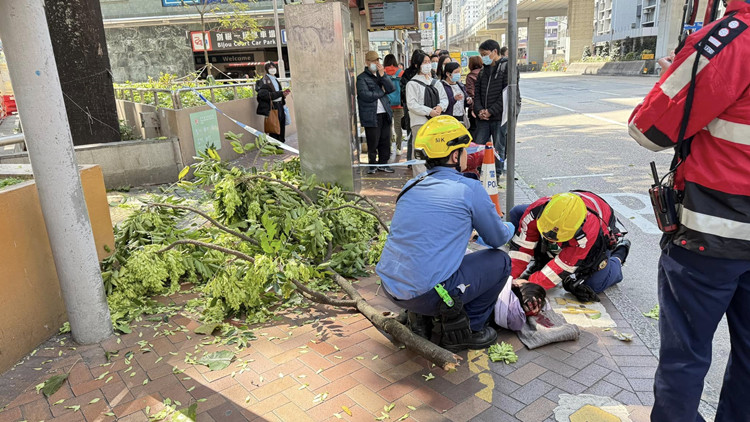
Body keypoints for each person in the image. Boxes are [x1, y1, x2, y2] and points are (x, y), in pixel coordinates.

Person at [628, 2, 750, 420]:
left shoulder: (730, 39)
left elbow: (648, 129)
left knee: (685, 357)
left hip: (712, 236)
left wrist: (674, 73)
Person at [376, 115, 516, 351]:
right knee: (500, 260)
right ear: (454, 156)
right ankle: (469, 329)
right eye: (464, 150)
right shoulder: (468, 189)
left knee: (441, 258)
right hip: (426, 293)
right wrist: (511, 225)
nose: (466, 154)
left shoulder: (411, 185)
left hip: (391, 287)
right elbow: (497, 239)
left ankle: (421, 316)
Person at [508, 192, 631, 304]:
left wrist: (530, 286)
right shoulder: (537, 209)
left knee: (594, 284)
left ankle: (619, 254)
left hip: (598, 236)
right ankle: (548, 255)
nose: (550, 240)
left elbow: (563, 265)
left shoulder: (586, 233)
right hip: (568, 218)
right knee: (518, 212)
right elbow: (522, 247)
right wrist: (508, 278)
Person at [406, 50, 448, 176]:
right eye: (425, 62)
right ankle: (421, 178)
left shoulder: (435, 82)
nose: (428, 65)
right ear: (417, 65)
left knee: (435, 149)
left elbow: (444, 98)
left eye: (429, 62)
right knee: (419, 151)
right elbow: (412, 104)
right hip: (419, 122)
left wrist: (440, 107)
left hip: (435, 123)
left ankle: (434, 176)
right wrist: (429, 111)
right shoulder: (412, 84)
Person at [474, 40, 510, 174]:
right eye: (481, 55)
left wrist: (491, 111)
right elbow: (477, 93)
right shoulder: (483, 71)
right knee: (478, 145)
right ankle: (478, 171)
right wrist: (479, 110)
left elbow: (507, 95)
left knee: (499, 147)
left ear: (495, 51)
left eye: (485, 54)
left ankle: (497, 174)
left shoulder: (507, 67)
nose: (483, 57)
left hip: (499, 117)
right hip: (483, 117)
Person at [357, 51, 396, 174]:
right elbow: (365, 95)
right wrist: (381, 92)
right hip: (371, 114)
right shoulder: (362, 78)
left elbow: (391, 88)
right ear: (367, 62)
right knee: (373, 141)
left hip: (385, 112)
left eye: (378, 61)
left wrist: (383, 75)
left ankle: (383, 164)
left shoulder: (381, 75)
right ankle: (372, 165)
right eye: (373, 61)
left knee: (385, 140)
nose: (376, 63)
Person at [256, 62, 290, 143]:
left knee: (281, 125)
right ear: (267, 69)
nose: (272, 69)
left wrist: (283, 95)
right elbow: (263, 95)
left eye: (273, 67)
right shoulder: (264, 81)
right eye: (270, 67)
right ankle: (274, 145)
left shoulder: (275, 79)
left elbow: (277, 92)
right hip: (273, 106)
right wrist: (280, 93)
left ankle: (281, 143)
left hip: (280, 105)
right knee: (274, 127)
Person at [400, 50, 424, 162]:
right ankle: (412, 159)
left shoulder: (406, 73)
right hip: (413, 109)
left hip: (412, 109)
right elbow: (405, 93)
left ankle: (411, 159)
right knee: (414, 134)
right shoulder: (409, 75)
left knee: (412, 135)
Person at [383, 54, 406, 158]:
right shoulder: (401, 72)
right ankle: (398, 147)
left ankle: (389, 146)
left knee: (388, 126)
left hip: (386, 103)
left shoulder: (382, 72)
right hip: (399, 104)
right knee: (398, 127)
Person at [465, 55, 483, 135]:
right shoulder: (485, 73)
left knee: (474, 131)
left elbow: (471, 92)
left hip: (475, 108)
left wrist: (472, 108)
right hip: (486, 108)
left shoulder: (470, 76)